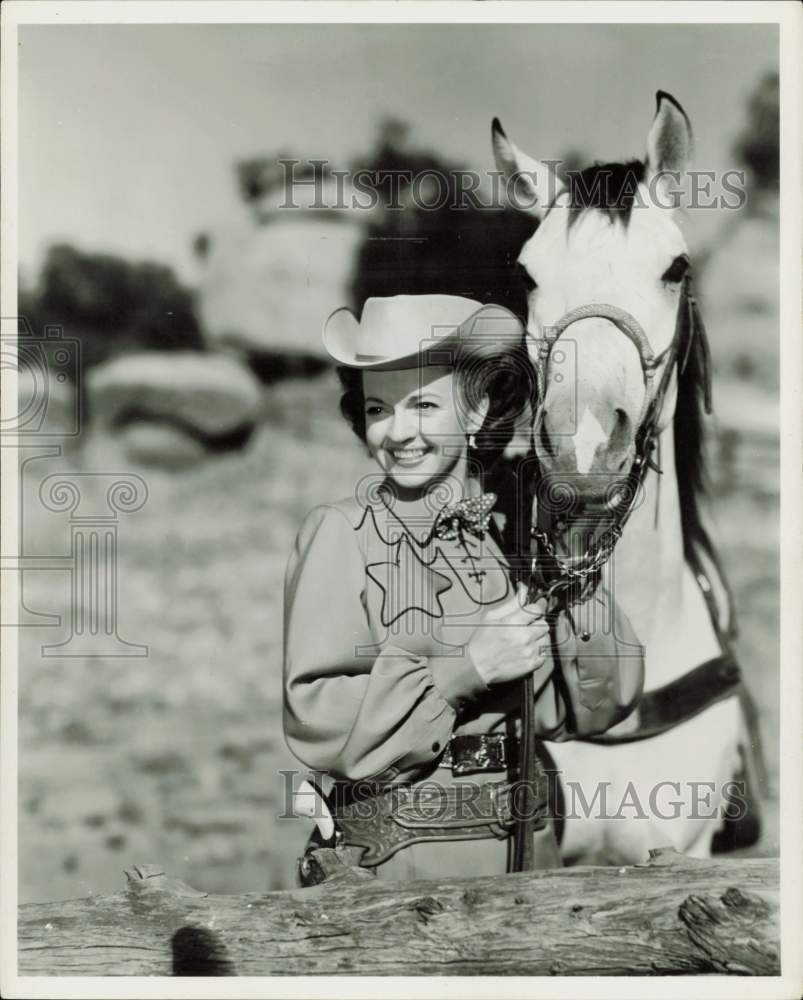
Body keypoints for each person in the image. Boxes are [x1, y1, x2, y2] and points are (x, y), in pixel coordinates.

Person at [283, 294, 644, 883]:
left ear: (475, 415)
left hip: (529, 853)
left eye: (423, 405)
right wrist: (466, 670)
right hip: (404, 867)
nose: (398, 432)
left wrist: (575, 565)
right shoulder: (342, 533)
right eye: (378, 409)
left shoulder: (512, 535)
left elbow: (597, 704)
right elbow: (319, 717)